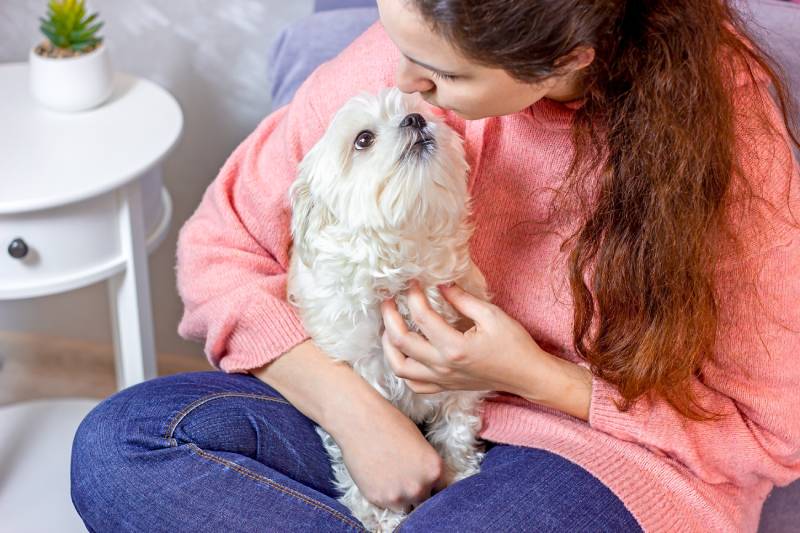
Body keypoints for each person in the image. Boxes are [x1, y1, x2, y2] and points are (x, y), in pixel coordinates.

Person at [70, 1, 800, 531]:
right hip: (383, 411)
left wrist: (533, 374)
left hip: (601, 451)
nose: (403, 83)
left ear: (566, 60)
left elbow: (773, 429)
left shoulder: (725, 133)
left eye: (444, 75)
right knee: (119, 449)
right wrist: (357, 416)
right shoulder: (427, 33)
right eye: (396, 41)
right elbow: (218, 246)